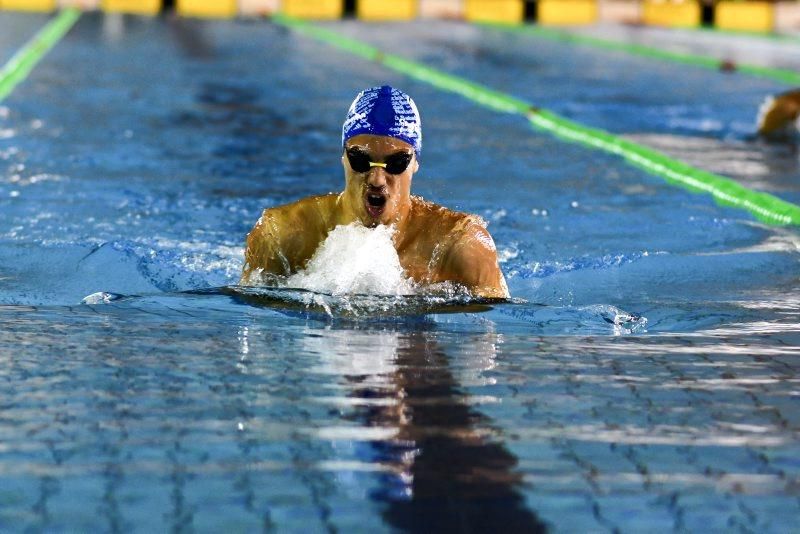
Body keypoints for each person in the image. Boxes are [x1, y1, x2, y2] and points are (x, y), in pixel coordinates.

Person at [240, 85, 508, 298]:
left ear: (415, 163)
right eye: (360, 161)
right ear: (343, 157)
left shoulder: (459, 246)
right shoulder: (282, 235)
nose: (377, 179)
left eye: (396, 163)